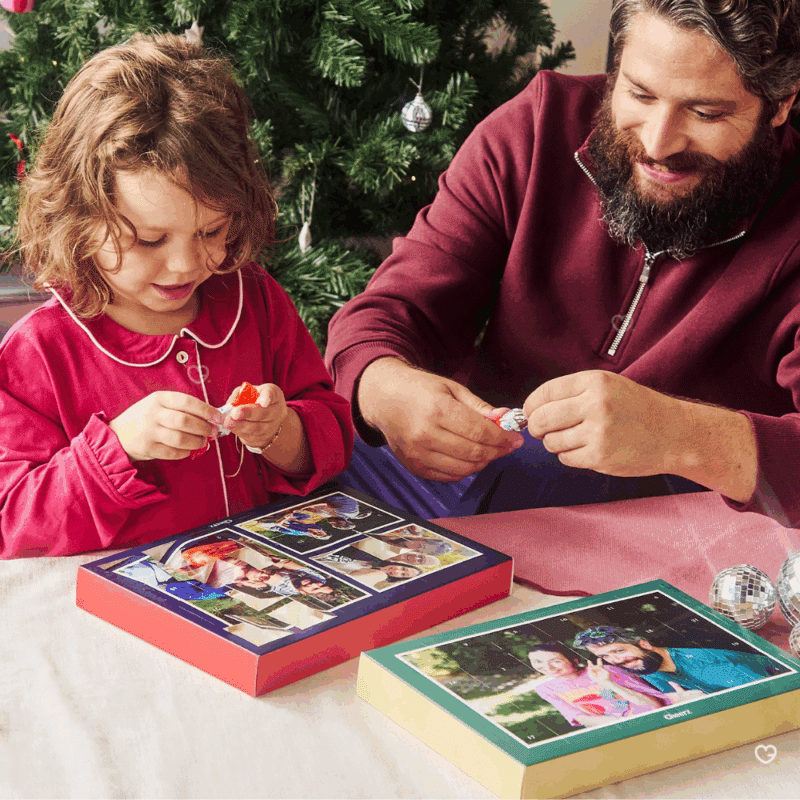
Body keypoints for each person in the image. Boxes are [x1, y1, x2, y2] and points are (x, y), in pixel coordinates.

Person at [326, 0, 800, 523]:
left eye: (705, 113)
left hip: (681, 529)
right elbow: (388, 312)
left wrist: (683, 437)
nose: (657, 143)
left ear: (781, 104)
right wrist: (383, 387)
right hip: (478, 492)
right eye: (639, 94)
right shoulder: (539, 123)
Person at [0, 34, 353, 558]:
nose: (187, 265)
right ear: (78, 219)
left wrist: (280, 431)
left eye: (211, 231)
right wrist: (118, 447)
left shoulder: (253, 300)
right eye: (149, 240)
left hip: (263, 583)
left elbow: (334, 440)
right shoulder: (40, 353)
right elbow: (12, 519)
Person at [574, 626, 782, 694]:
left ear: (644, 644)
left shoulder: (707, 666)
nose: (615, 661)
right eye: (605, 656)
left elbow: (770, 692)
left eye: (619, 651)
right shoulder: (647, 667)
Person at [527, 642, 671, 728]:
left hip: (647, 716)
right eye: (537, 662)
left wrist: (607, 682)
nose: (548, 668)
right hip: (612, 727)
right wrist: (621, 723)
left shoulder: (605, 671)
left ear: (574, 661)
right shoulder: (545, 689)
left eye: (555, 661)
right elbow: (578, 717)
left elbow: (652, 701)